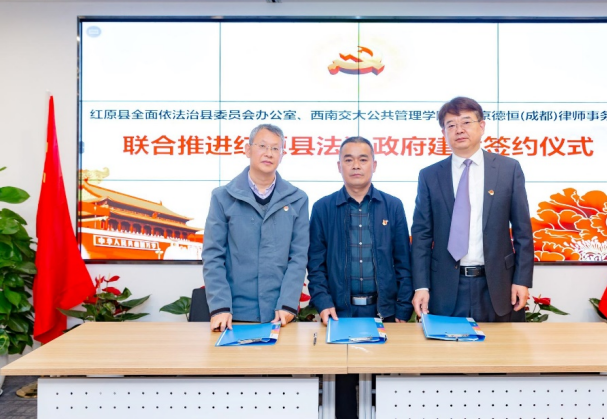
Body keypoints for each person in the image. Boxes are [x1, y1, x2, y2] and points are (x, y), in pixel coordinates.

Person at [308, 136, 413, 419]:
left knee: (384, 388)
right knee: (342, 388)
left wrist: (402, 310)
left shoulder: (392, 206)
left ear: (374, 165)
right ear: (339, 166)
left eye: (363, 159)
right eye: (349, 159)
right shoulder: (323, 208)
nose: (356, 165)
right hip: (340, 313)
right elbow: (315, 265)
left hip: (383, 312)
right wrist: (323, 303)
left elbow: (404, 263)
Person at [411, 97, 533, 322]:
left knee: (502, 345)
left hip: (498, 285)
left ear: (482, 126)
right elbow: (421, 236)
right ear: (443, 132)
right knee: (448, 345)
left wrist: (522, 280)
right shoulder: (429, 175)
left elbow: (523, 232)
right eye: (451, 125)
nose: (459, 130)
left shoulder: (508, 169)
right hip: (446, 287)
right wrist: (421, 286)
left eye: (466, 122)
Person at [203, 124, 309, 332]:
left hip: (280, 315)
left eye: (275, 148)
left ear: (282, 155)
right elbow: (213, 255)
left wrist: (288, 303)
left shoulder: (297, 199)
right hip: (233, 315)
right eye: (262, 146)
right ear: (247, 149)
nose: (269, 153)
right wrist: (220, 307)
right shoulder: (223, 197)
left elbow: (298, 256)